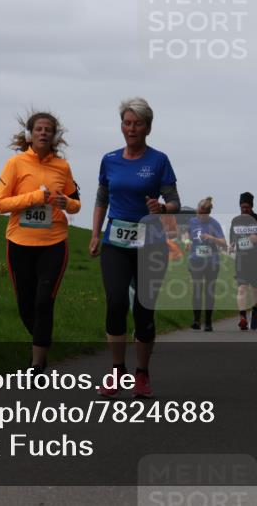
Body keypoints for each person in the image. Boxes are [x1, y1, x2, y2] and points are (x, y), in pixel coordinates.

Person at [89, 98, 180, 397]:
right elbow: (102, 197)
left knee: (144, 310)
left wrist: (162, 207)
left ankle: (142, 373)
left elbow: (175, 202)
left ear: (148, 127)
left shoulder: (159, 160)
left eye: (137, 123)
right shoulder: (110, 159)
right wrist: (94, 234)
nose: (131, 128)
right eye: (127, 123)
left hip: (151, 244)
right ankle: (117, 371)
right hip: (115, 241)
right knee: (116, 303)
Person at [0, 111, 81, 374]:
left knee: (44, 301)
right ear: (31, 134)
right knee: (25, 304)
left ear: (55, 136)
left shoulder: (62, 167)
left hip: (54, 241)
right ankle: (41, 348)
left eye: (48, 129)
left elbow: (75, 204)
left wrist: (68, 203)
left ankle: (36, 365)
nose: (44, 133)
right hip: (20, 241)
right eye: (39, 129)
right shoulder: (15, 164)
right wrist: (33, 197)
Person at [229, 192, 257, 330]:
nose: (244, 210)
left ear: (252, 206)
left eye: (247, 207)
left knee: (254, 289)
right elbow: (232, 236)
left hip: (256, 260)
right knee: (242, 288)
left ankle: (254, 313)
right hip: (241, 259)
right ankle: (242, 317)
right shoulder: (236, 220)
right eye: (242, 207)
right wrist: (231, 245)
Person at [188, 196, 226, 331]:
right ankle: (196, 320)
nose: (200, 216)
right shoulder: (191, 222)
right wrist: (187, 243)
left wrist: (212, 238)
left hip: (212, 262)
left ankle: (208, 322)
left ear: (208, 213)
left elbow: (223, 243)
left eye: (204, 214)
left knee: (209, 291)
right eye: (199, 212)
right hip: (195, 261)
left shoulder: (214, 224)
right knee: (197, 290)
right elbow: (187, 236)